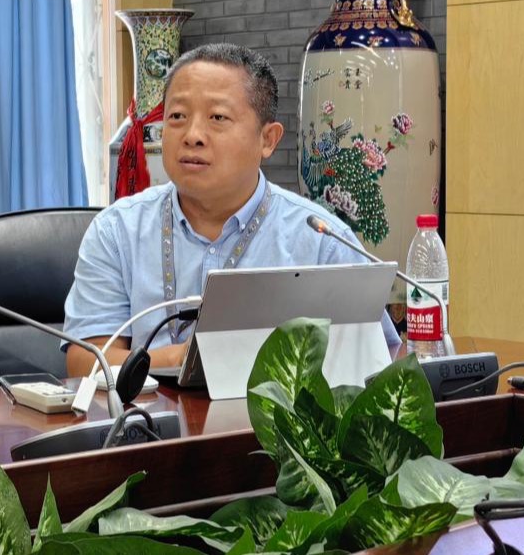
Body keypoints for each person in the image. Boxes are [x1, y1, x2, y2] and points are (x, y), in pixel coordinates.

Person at [63, 43, 401, 377]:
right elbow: (84, 363)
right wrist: (182, 359)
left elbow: (377, 359)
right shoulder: (117, 231)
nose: (192, 135)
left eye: (218, 118)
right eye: (177, 116)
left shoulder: (321, 240)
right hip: (148, 414)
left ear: (268, 140)